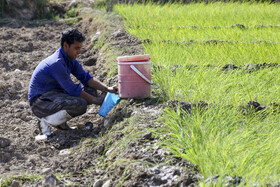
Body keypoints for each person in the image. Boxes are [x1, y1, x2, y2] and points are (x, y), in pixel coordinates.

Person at [28, 28, 117, 139]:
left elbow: (86, 78)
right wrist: (96, 100)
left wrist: (108, 88)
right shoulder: (57, 63)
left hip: (54, 96)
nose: (79, 52)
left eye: (80, 48)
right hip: (40, 102)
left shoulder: (70, 60)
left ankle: (60, 123)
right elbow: (72, 90)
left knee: (91, 91)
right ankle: (46, 122)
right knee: (80, 104)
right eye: (76, 48)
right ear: (66, 45)